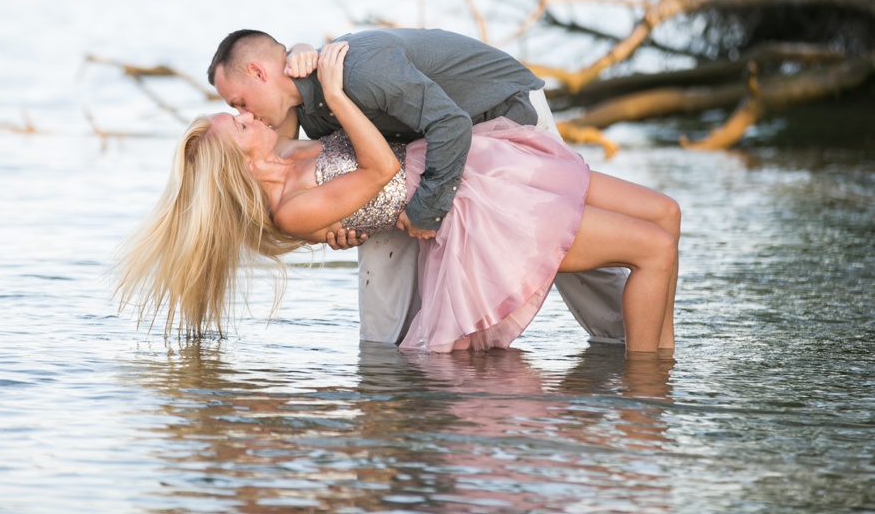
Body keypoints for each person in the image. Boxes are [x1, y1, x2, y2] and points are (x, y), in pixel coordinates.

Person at [115, 42, 678, 354]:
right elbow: (380, 165)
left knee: (665, 218)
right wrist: (335, 93)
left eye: (239, 106)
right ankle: (647, 394)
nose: (246, 115)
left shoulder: (292, 149)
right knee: (651, 249)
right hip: (469, 206)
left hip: (479, 159)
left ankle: (650, 365)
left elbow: (301, 94)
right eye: (237, 122)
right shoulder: (287, 204)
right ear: (238, 162)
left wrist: (313, 63)